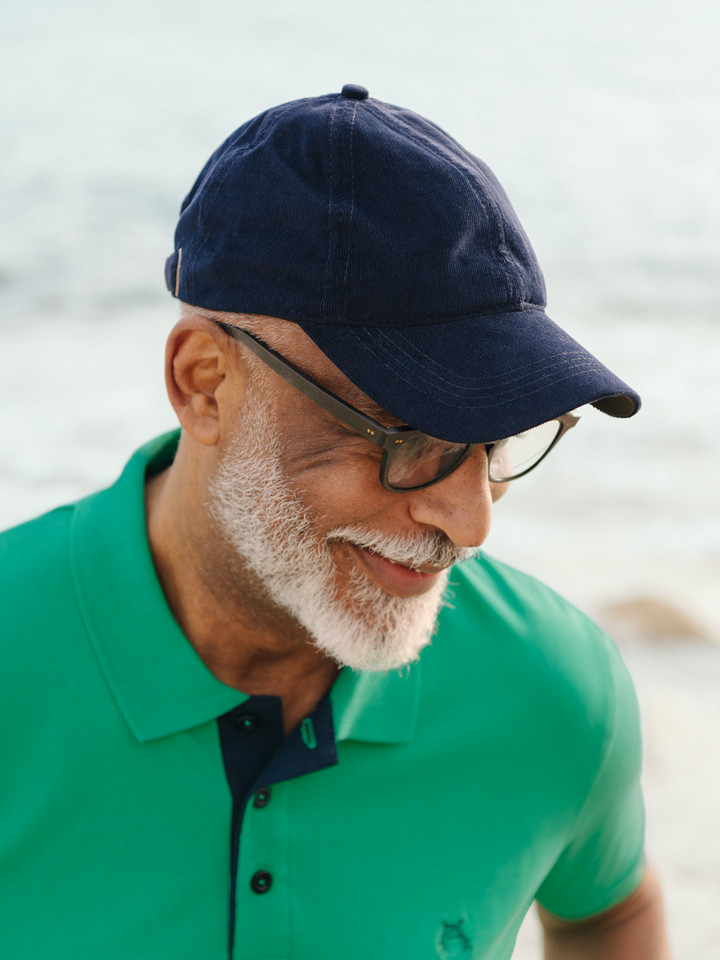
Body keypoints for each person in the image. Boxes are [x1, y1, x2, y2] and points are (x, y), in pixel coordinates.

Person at [0, 84, 670, 959]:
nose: (470, 525)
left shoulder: (559, 694)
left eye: (496, 439)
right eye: (405, 435)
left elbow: (607, 911)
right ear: (205, 382)